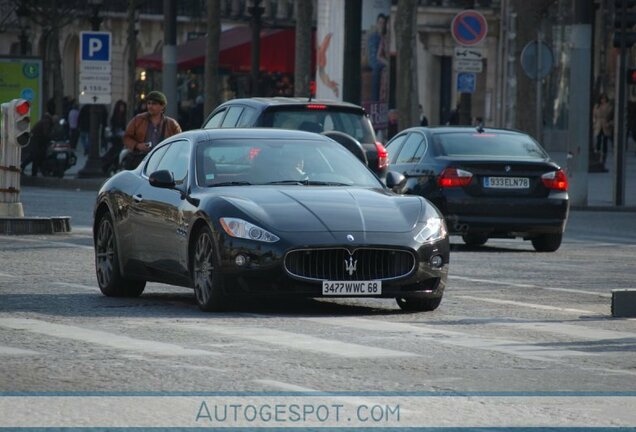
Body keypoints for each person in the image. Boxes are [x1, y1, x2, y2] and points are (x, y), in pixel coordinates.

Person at [122, 91, 181, 170]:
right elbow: (126, 137)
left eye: (154, 104)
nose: (150, 106)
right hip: (141, 160)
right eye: (149, 103)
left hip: (163, 161)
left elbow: (179, 144)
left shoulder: (171, 124)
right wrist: (137, 146)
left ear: (162, 106)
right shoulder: (138, 120)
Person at [366, 13, 389, 102]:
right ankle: (374, 100)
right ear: (377, 24)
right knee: (376, 69)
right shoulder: (374, 37)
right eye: (380, 23)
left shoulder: (384, 37)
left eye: (383, 23)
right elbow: (374, 56)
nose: (382, 25)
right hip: (375, 62)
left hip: (382, 61)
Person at [29, 109, 56, 177]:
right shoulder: (46, 122)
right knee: (37, 157)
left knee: (37, 157)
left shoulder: (43, 121)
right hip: (37, 142)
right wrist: (51, 137)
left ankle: (38, 172)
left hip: (37, 141)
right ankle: (36, 172)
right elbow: (45, 133)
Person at [592, 93, 613, 169]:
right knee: (598, 142)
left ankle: (603, 160)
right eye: (601, 99)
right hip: (598, 125)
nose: (603, 100)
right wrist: (594, 123)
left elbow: (612, 117)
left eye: (604, 99)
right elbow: (594, 116)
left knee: (604, 143)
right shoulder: (597, 106)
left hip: (605, 125)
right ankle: (597, 159)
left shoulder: (609, 106)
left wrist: (609, 123)